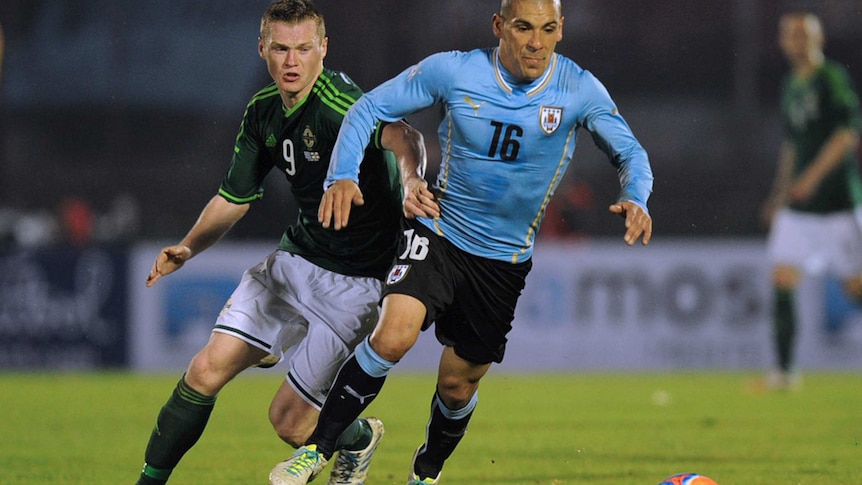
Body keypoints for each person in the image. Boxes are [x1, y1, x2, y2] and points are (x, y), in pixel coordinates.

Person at [267, 1, 653, 484]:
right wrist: (341, 175)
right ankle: (317, 452)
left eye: (548, 29)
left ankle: (426, 474)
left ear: (560, 31)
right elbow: (368, 108)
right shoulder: (454, 70)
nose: (536, 42)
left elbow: (630, 152)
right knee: (392, 335)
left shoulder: (578, 89)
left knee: (456, 385)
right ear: (499, 27)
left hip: (502, 262)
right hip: (440, 230)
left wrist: (635, 196)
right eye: (523, 28)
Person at [134, 1, 432, 484]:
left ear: (323, 49)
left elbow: (404, 136)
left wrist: (412, 178)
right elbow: (233, 197)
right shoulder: (263, 112)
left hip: (356, 283)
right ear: (263, 49)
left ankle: (358, 438)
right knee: (205, 370)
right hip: (295, 261)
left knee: (290, 426)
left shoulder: (342, 105)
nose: (292, 61)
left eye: (303, 49)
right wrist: (188, 247)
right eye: (280, 49)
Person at [759, 12, 862, 391]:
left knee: (855, 288)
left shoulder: (830, 79)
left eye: (803, 34)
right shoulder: (791, 85)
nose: (796, 41)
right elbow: (791, 146)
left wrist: (812, 178)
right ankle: (785, 373)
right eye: (790, 34)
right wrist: (778, 194)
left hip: (836, 203)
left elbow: (846, 134)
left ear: (818, 39)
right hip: (798, 209)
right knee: (782, 277)